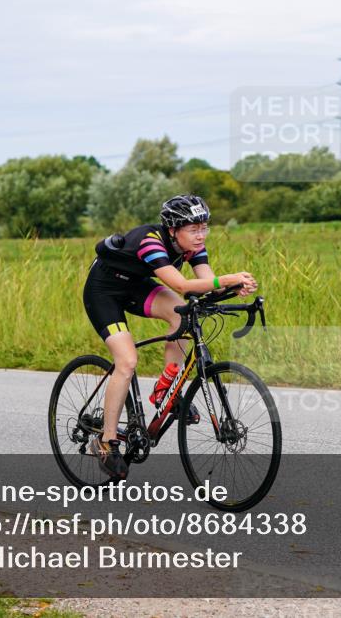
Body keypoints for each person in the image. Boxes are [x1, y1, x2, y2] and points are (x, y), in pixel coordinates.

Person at [83, 194, 258, 478]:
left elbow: (204, 283)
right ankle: (106, 441)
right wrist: (226, 279)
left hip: (137, 286)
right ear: (173, 229)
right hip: (104, 291)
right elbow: (181, 283)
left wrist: (229, 289)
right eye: (194, 229)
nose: (201, 235)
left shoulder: (193, 247)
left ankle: (166, 388)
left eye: (204, 227)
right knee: (127, 361)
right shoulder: (150, 241)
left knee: (182, 315)